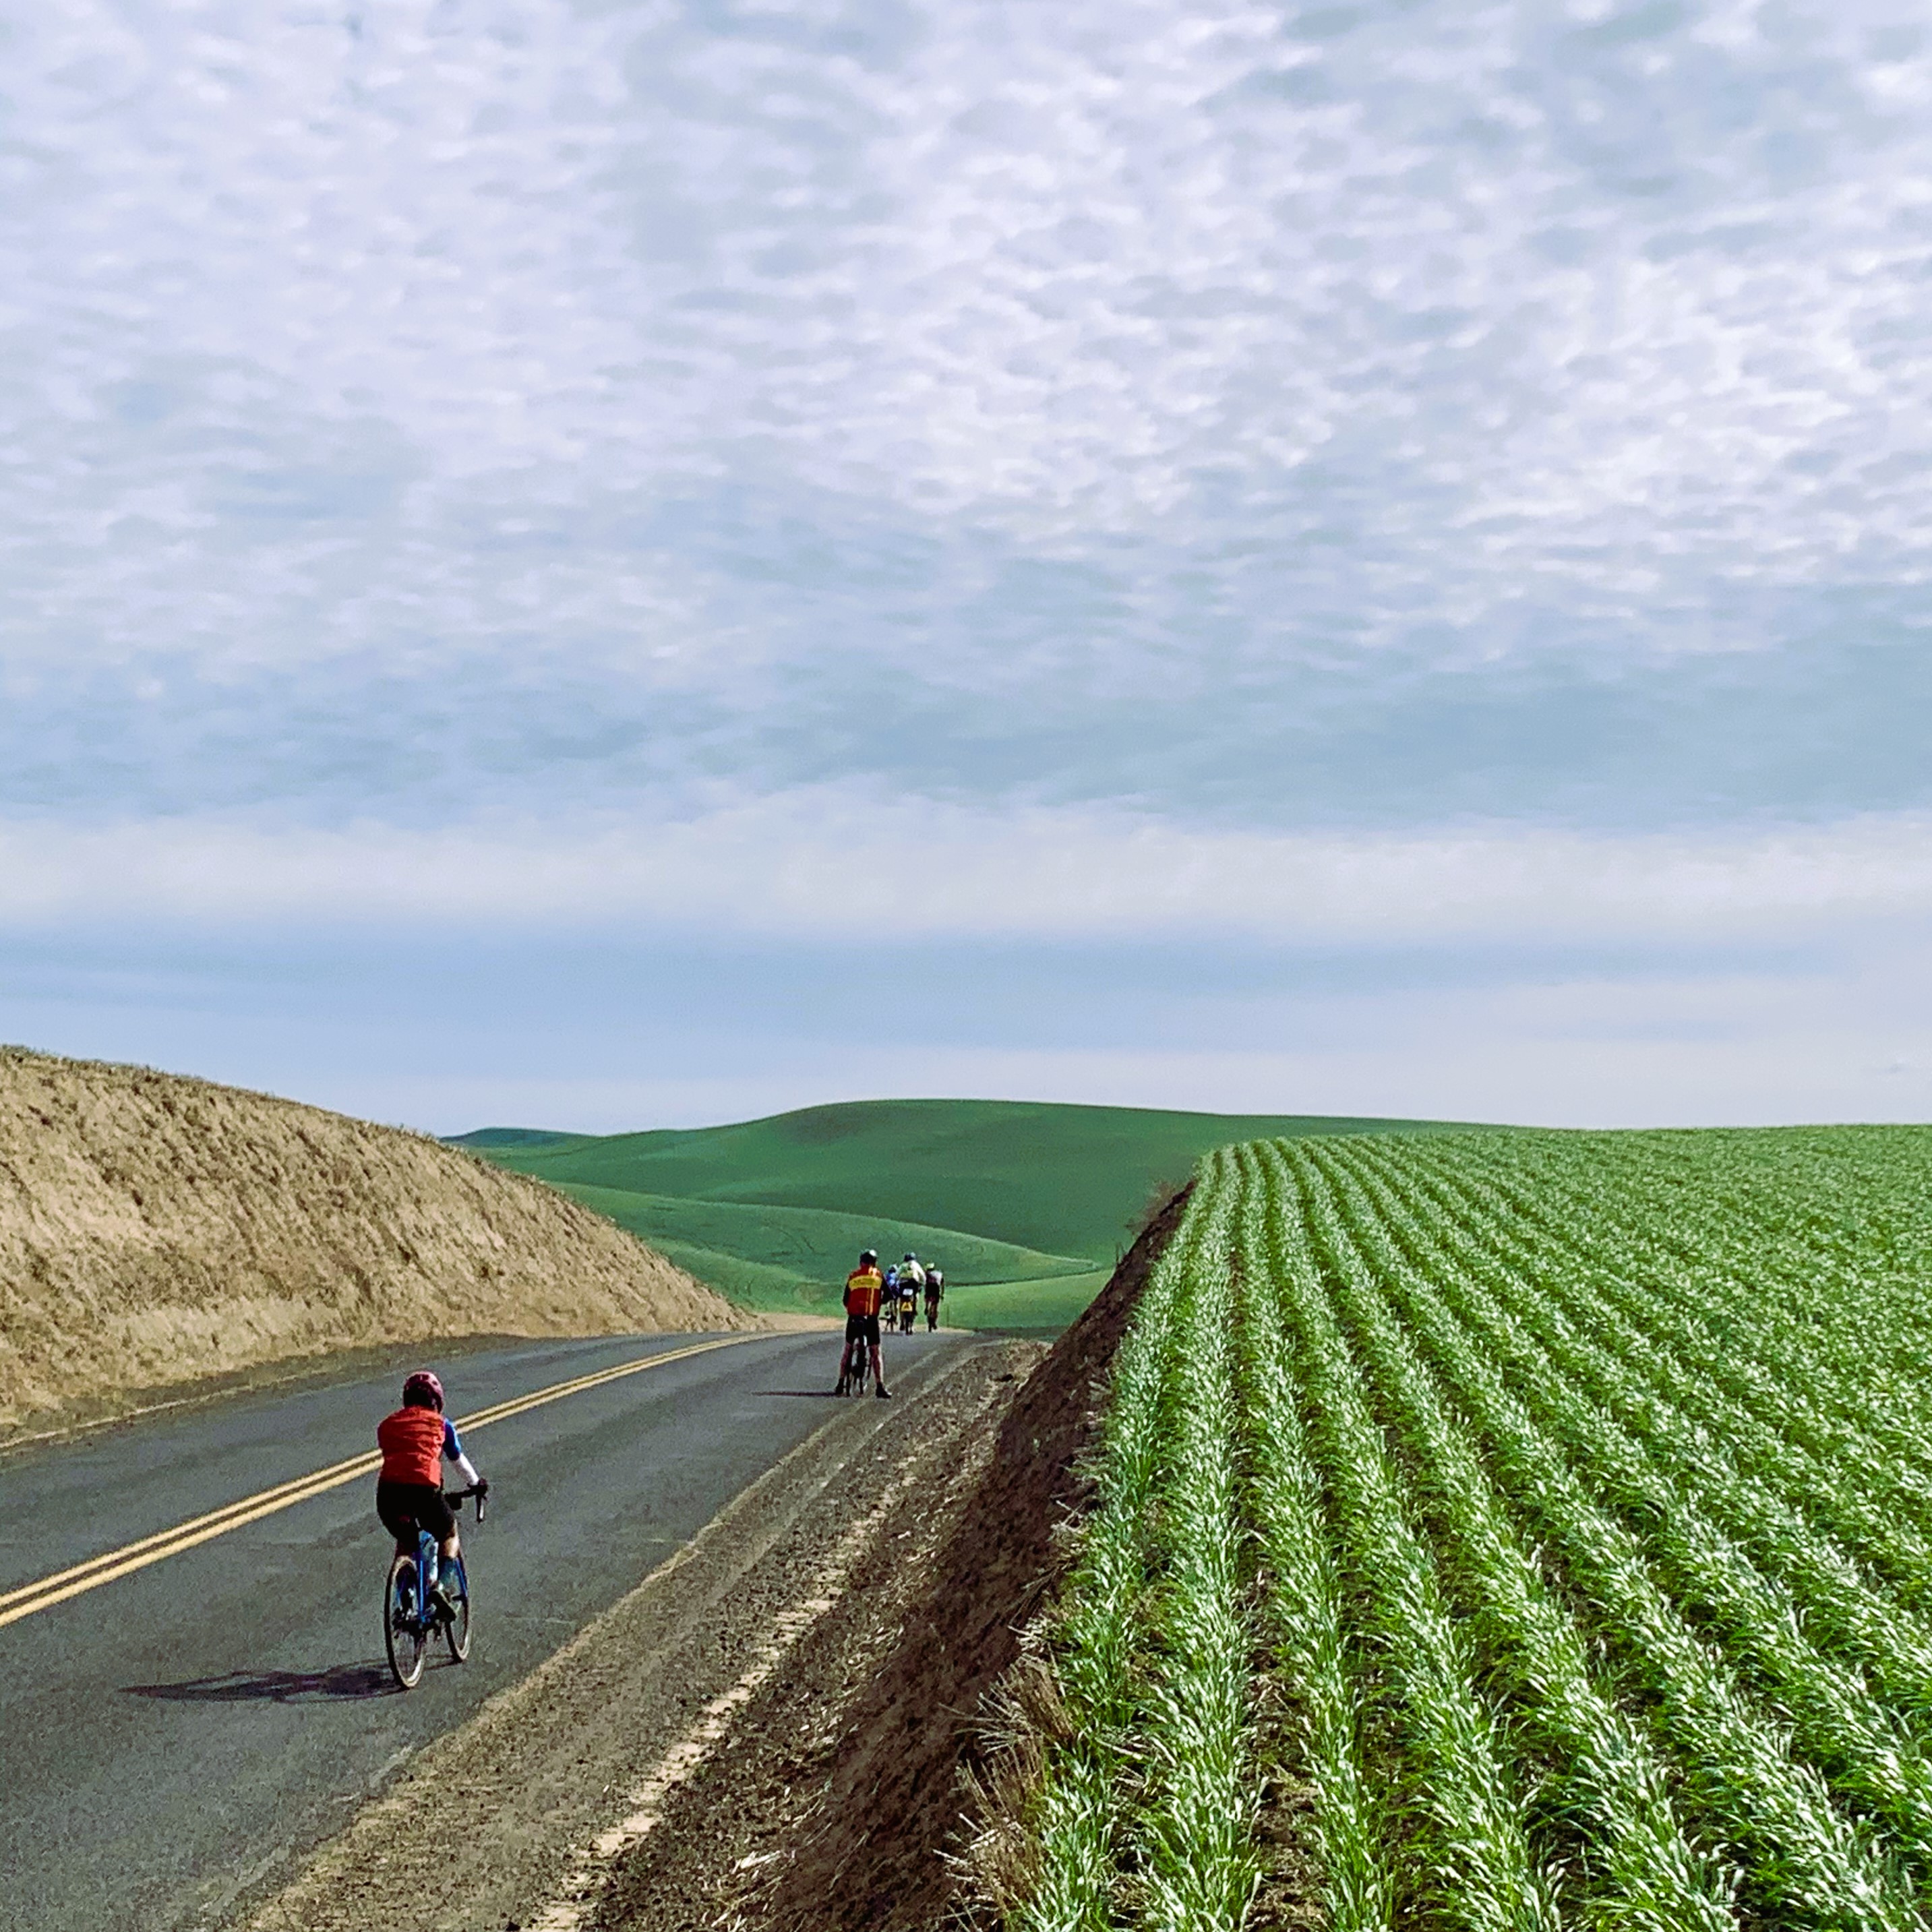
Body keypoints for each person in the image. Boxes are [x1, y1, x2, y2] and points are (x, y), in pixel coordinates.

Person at [375, 1370, 487, 1617]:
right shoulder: (442, 1424)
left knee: (406, 1540)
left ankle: (404, 1602)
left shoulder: (388, 1424)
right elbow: (457, 1459)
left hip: (388, 1494)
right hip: (425, 1489)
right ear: (437, 1401)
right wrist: (476, 1484)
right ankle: (443, 1589)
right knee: (449, 1532)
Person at [838, 1249, 890, 1398]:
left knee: (848, 1350)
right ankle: (880, 1387)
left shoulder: (853, 1276)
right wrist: (878, 1302)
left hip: (854, 1317)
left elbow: (845, 1300)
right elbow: (889, 1295)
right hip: (871, 1317)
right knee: (876, 1352)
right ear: (875, 1262)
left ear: (861, 1262)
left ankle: (841, 1383)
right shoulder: (878, 1276)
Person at [924, 1263, 944, 1331]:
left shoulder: (926, 1274)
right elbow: (942, 1285)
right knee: (935, 1307)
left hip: (929, 1291)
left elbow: (924, 1284)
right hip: (936, 1291)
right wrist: (942, 1294)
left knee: (927, 1300)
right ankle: (934, 1322)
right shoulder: (939, 1274)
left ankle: (926, 1307)